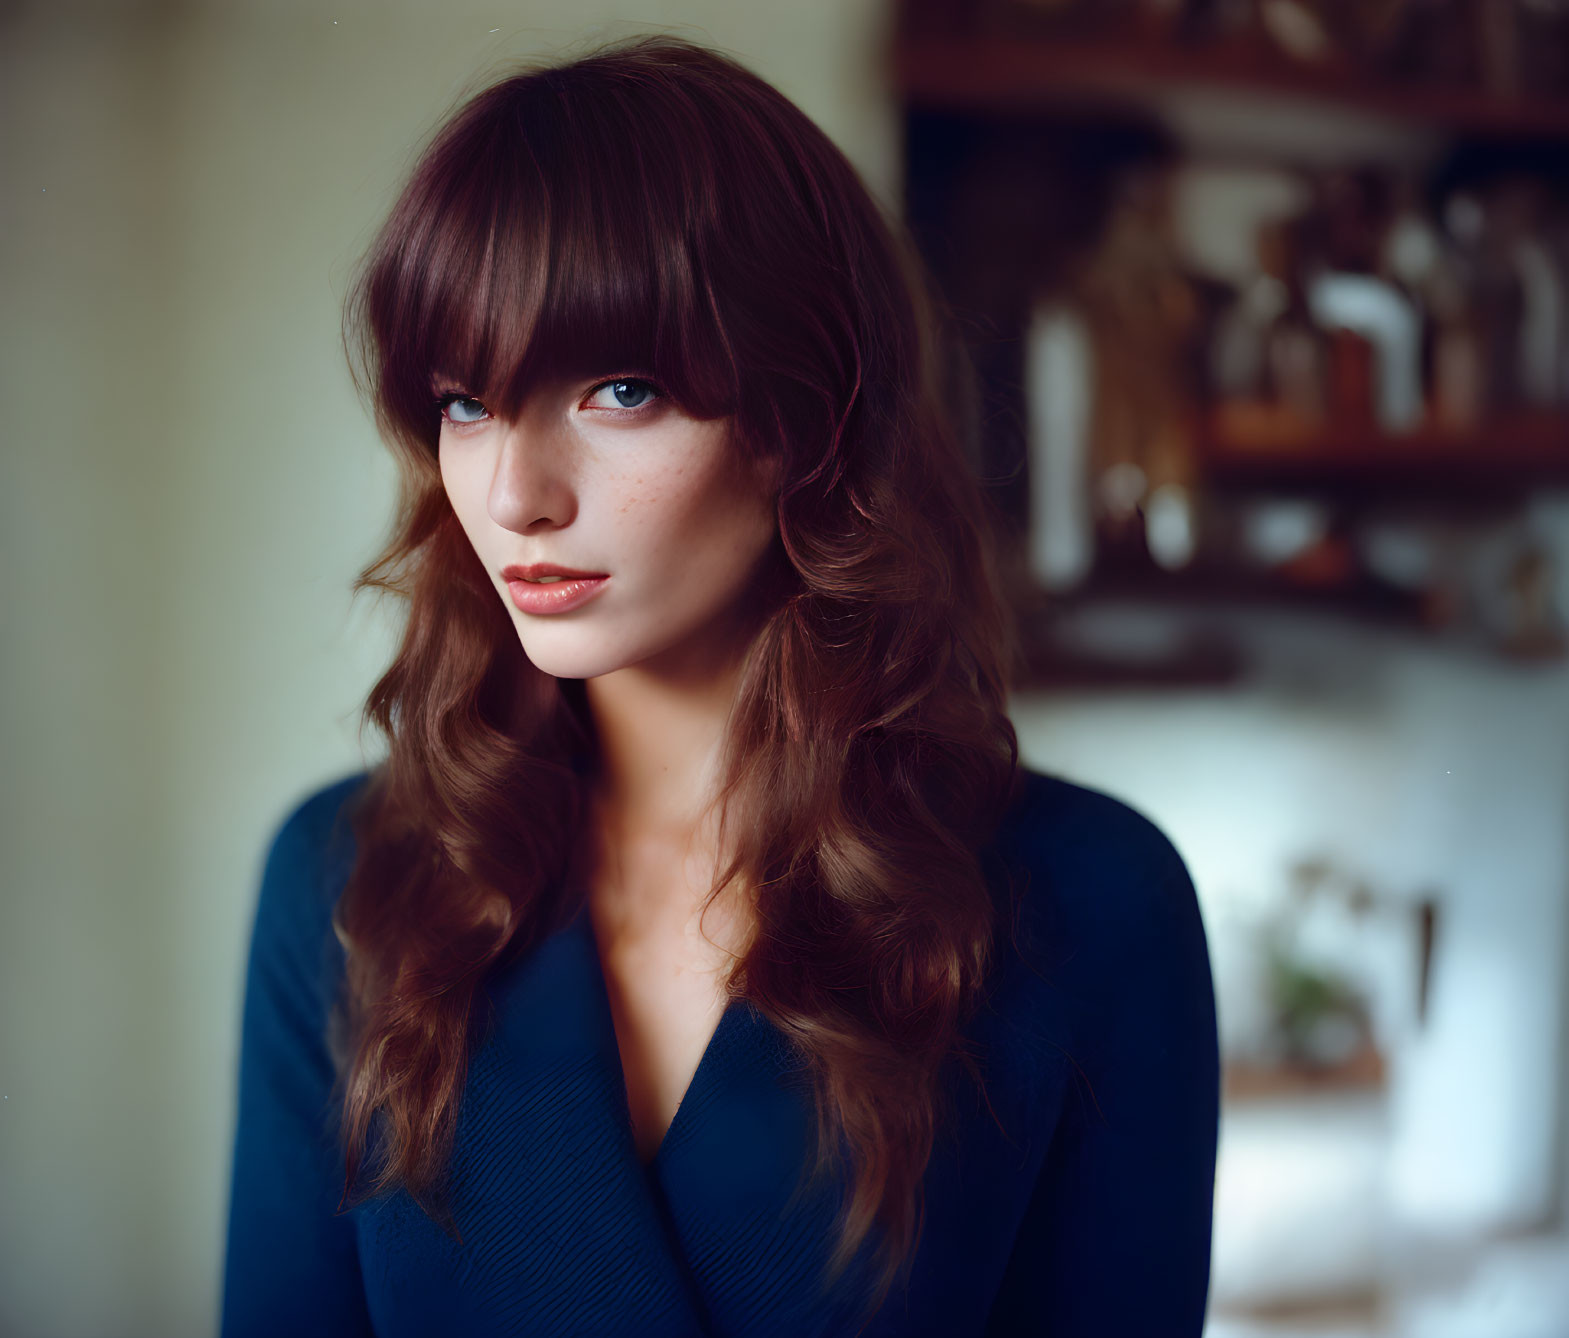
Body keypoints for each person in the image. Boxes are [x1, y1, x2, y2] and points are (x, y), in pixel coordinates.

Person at [219, 33, 1220, 1338]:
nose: (516, 492)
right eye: (466, 401)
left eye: (617, 389)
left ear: (801, 418)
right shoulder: (351, 885)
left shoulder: (1089, 905)